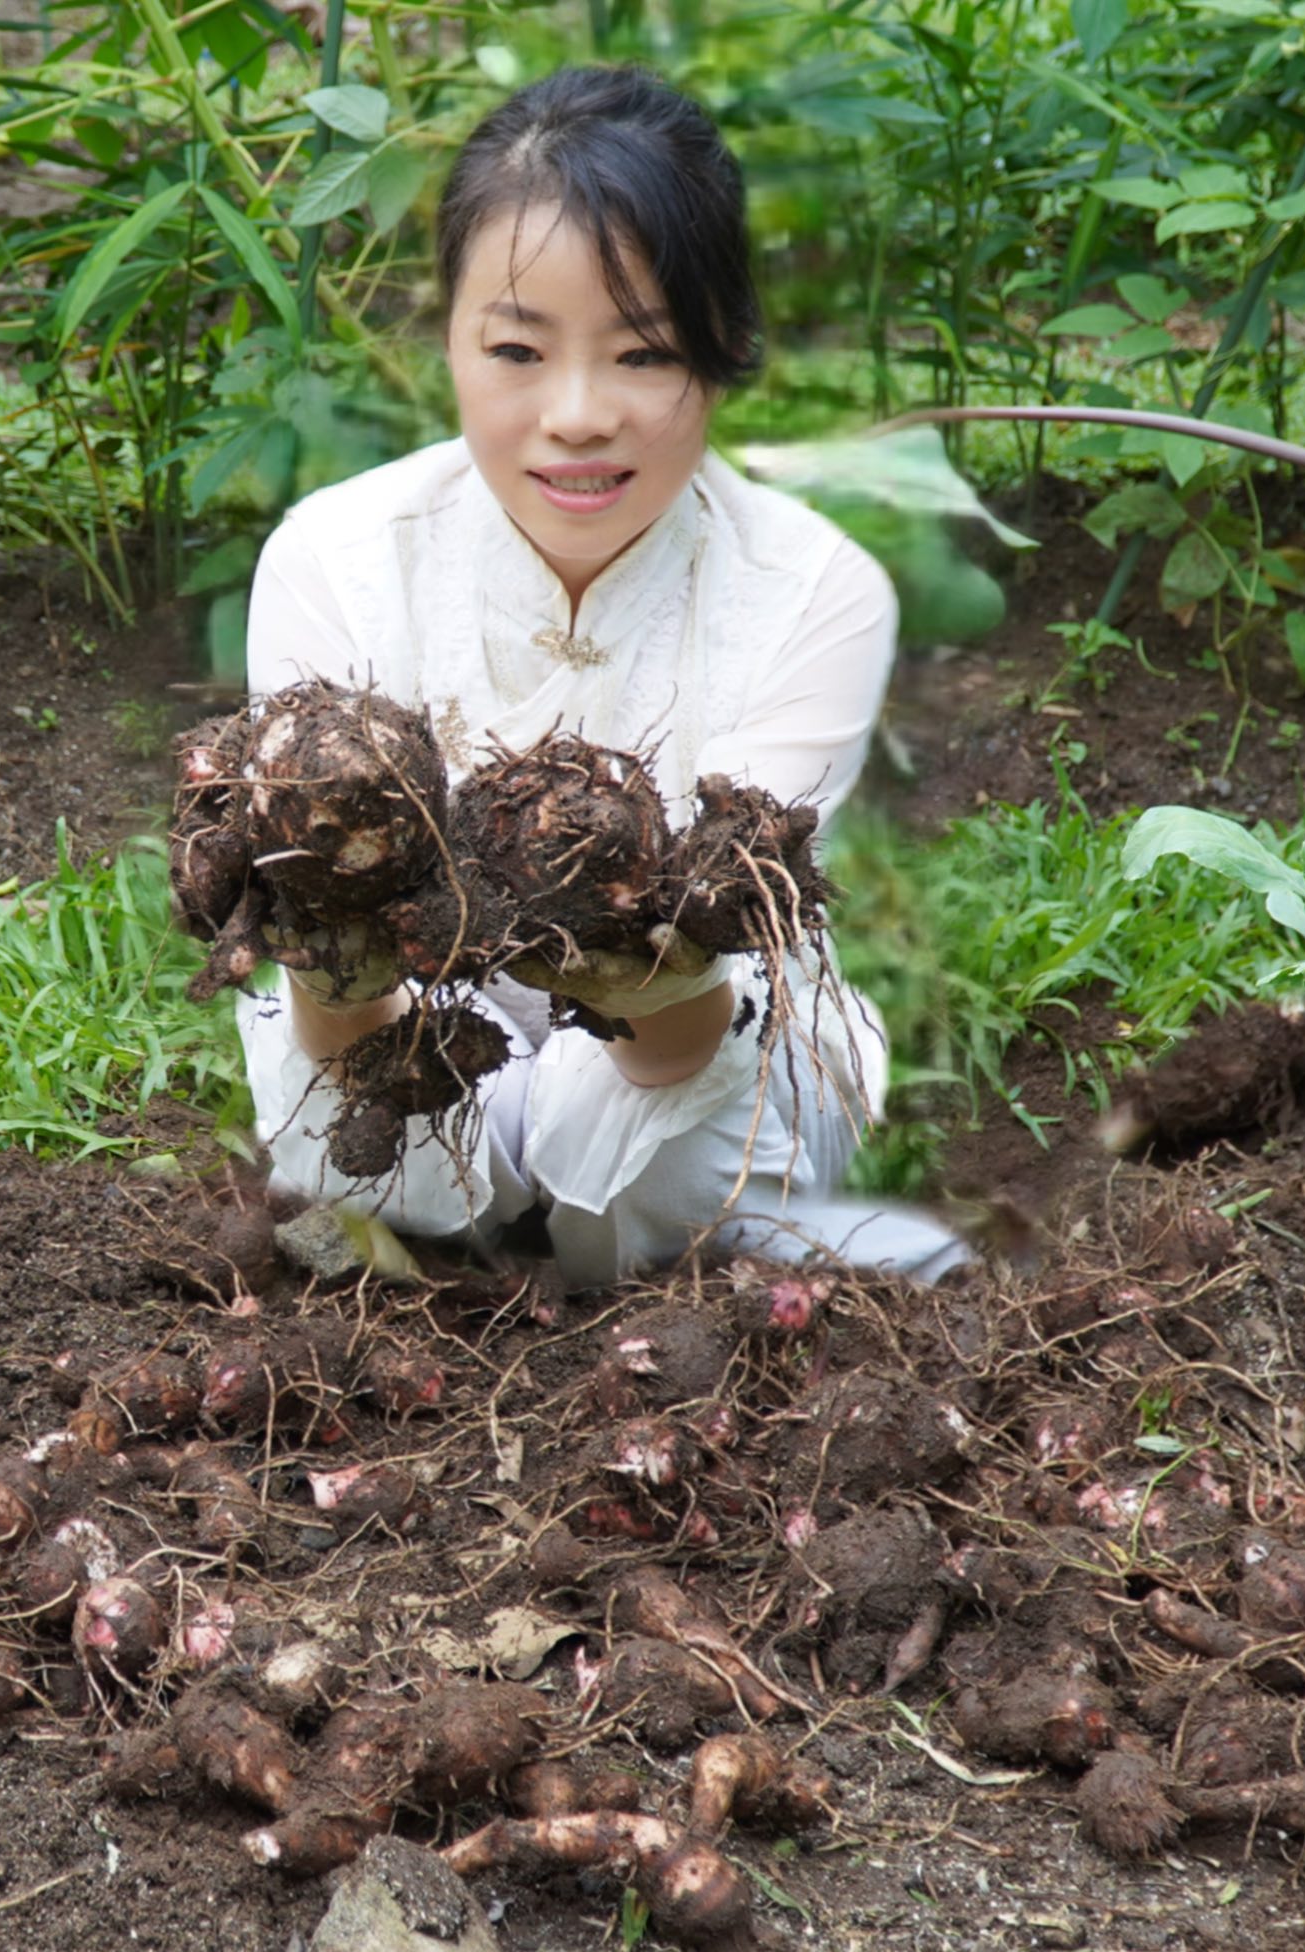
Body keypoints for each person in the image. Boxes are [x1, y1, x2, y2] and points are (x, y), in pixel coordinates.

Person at [220, 65, 968, 1287]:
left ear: (724, 352)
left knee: (682, 1165)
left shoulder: (816, 594)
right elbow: (338, 996)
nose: (576, 415)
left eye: (642, 353)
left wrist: (636, 962)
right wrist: (330, 935)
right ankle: (463, 1216)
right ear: (451, 344)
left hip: (690, 1038)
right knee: (365, 1148)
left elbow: (714, 967)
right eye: (517, 348)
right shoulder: (338, 563)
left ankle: (626, 1240)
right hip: (401, 1027)